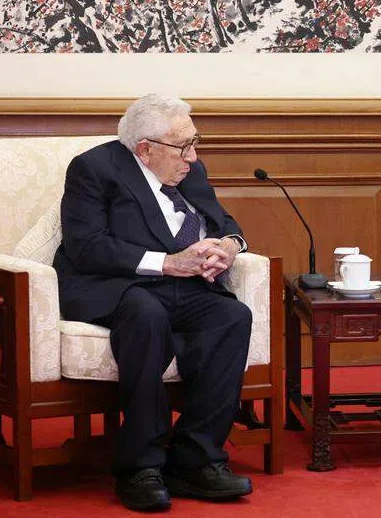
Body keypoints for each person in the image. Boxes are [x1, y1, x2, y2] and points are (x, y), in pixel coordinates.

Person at [54, 94, 254, 511]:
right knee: (147, 314)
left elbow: (225, 222)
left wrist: (230, 247)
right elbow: (86, 246)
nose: (193, 156)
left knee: (231, 316)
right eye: (184, 146)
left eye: (194, 143)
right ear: (145, 149)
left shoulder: (189, 171)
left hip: (183, 287)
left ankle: (195, 459)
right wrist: (166, 263)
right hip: (114, 285)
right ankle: (139, 467)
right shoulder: (95, 169)